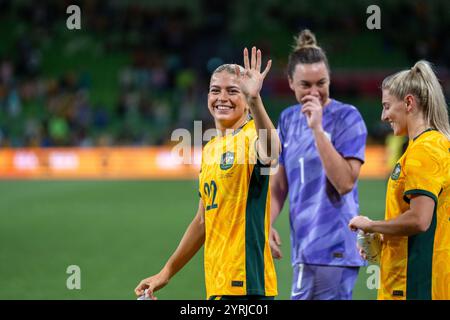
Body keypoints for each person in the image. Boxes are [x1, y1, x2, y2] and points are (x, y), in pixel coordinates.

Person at [135, 47, 280, 300]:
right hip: (218, 285)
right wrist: (166, 272)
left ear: (246, 98)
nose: (222, 97)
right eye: (215, 90)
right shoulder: (211, 148)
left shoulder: (250, 137)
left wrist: (256, 100)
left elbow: (272, 151)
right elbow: (202, 220)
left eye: (233, 91)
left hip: (246, 284)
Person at [269, 29, 368, 300]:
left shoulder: (348, 118)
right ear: (290, 82)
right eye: (305, 85)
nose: (315, 92)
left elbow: (346, 182)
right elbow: (279, 184)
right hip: (303, 247)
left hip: (334, 249)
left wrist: (317, 130)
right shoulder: (288, 119)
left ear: (330, 80)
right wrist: (266, 224)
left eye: (321, 83)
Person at [349, 60, 450, 300]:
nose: (384, 116)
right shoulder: (423, 146)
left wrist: (371, 225)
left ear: (408, 103)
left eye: (386, 106)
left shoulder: (425, 149)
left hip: (417, 285)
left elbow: (420, 220)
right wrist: (384, 236)